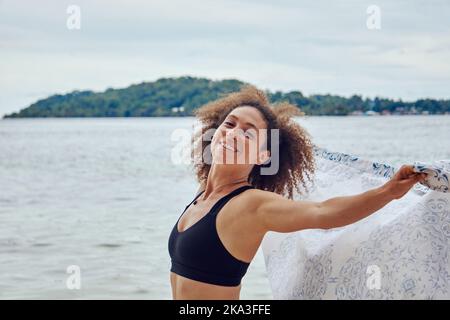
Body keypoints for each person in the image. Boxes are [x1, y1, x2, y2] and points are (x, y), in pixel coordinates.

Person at [168, 85, 427, 300]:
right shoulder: (204, 194)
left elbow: (323, 212)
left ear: (263, 155)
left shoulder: (251, 205)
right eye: (230, 124)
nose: (233, 133)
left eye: (248, 133)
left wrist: (388, 191)